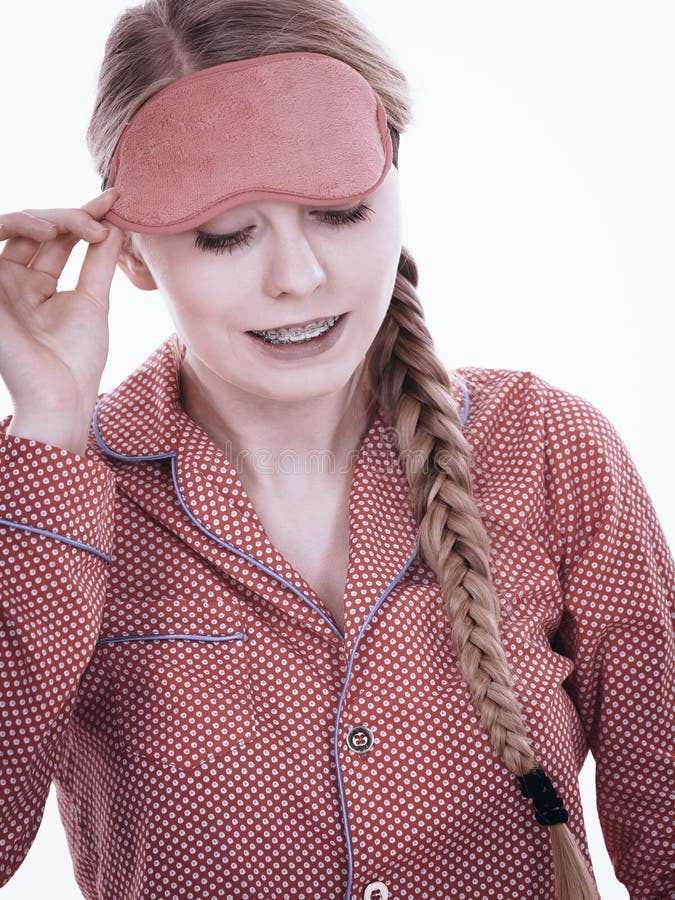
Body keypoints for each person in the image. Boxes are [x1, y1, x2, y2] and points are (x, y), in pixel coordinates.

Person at [0, 1, 672, 898]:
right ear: (129, 252)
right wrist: (48, 417)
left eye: (340, 212)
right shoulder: (51, 497)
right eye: (226, 233)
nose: (298, 278)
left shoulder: (546, 448)